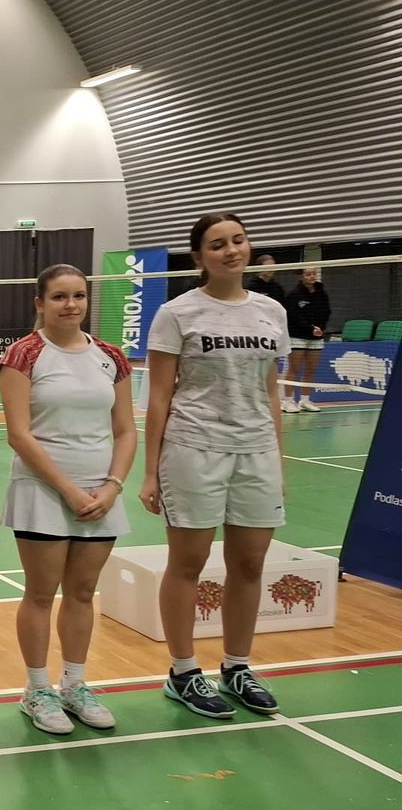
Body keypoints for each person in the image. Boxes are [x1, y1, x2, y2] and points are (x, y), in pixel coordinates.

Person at [140, 211, 288, 719]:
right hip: (193, 448)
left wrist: (277, 459)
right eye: (218, 244)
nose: (231, 251)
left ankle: (237, 667)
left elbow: (270, 389)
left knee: (249, 564)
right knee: (188, 564)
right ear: (200, 256)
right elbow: (159, 397)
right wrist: (150, 470)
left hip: (255, 451)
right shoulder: (177, 313)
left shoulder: (271, 311)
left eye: (238, 240)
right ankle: (183, 672)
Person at [0, 265, 137, 734]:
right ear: (40, 303)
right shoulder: (24, 354)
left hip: (101, 493)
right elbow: (19, 434)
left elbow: (126, 430)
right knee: (41, 594)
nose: (70, 304)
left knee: (81, 592)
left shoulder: (111, 357)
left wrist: (112, 486)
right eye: (59, 297)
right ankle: (37, 690)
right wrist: (69, 489)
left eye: (78, 295)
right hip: (42, 491)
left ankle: (74, 684)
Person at [283, 266, 330, 413]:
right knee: (294, 369)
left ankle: (305, 400)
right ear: (301, 277)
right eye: (308, 274)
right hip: (298, 336)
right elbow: (293, 316)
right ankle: (287, 401)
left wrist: (321, 328)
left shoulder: (321, 293)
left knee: (311, 370)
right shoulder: (294, 294)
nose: (312, 276)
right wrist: (310, 328)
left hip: (316, 337)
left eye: (314, 274)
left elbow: (326, 312)